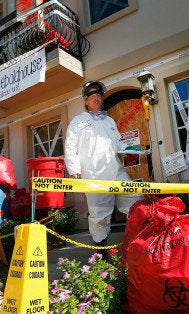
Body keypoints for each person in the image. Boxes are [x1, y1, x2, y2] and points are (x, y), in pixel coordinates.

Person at [64, 81, 144, 254]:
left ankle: (142, 245)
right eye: (92, 95)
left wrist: (129, 149)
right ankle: (102, 257)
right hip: (93, 175)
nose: (96, 98)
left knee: (135, 198)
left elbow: (117, 144)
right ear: (85, 101)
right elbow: (70, 147)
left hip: (115, 170)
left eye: (99, 95)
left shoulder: (110, 121)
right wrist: (74, 170)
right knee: (99, 216)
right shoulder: (78, 122)